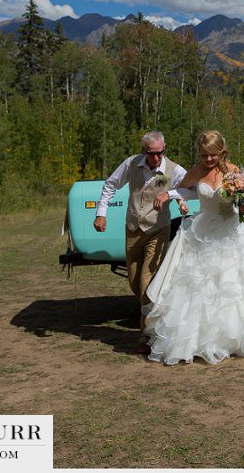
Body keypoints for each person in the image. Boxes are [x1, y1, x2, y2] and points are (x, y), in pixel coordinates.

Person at [142, 130, 244, 365]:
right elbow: (186, 190)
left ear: (222, 152)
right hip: (203, 230)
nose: (208, 160)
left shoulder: (234, 172)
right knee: (199, 284)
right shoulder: (195, 172)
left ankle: (239, 336)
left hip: (231, 231)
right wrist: (169, 195)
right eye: (203, 155)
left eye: (212, 155)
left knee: (234, 284)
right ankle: (196, 340)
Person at [94, 130, 195, 354]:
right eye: (151, 154)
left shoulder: (174, 170)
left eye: (160, 153)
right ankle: (165, 316)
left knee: (147, 285)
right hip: (132, 228)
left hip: (158, 229)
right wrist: (101, 213)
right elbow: (111, 184)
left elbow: (193, 189)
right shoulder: (131, 164)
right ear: (144, 151)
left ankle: (148, 337)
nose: (156, 158)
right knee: (134, 282)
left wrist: (172, 196)